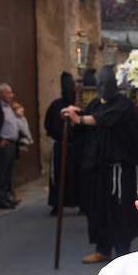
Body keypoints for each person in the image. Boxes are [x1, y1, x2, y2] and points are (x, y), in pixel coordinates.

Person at [61, 65, 138, 264]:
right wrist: (70, 118)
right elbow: (83, 124)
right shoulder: (95, 104)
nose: (104, 88)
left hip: (119, 171)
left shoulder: (124, 104)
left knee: (120, 211)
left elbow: (105, 119)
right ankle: (103, 248)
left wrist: (79, 118)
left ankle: (123, 250)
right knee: (97, 210)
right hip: (97, 170)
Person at [44, 72, 82, 216]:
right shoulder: (56, 106)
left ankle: (80, 204)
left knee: (77, 176)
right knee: (59, 177)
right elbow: (48, 125)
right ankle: (57, 204)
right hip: (60, 147)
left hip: (76, 147)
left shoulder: (78, 105)